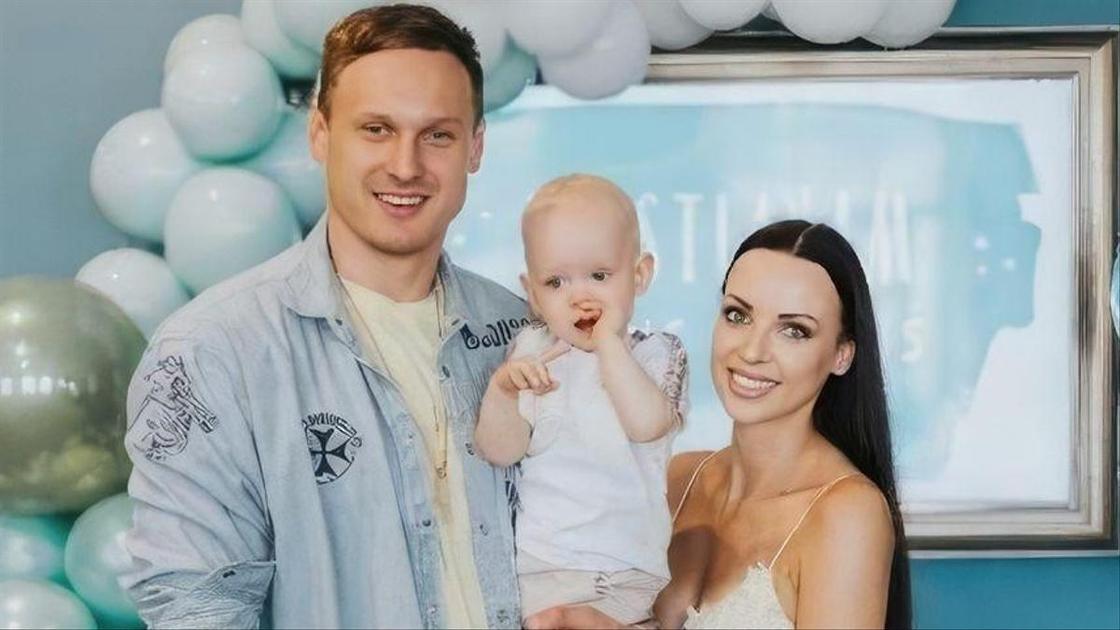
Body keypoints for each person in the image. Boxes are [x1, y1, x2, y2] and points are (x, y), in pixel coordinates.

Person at [121, 5, 526, 628]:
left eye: (438, 135)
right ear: (320, 133)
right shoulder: (213, 351)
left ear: (474, 147)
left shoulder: (523, 335)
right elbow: (197, 608)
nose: (406, 165)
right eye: (376, 129)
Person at [528, 220, 911, 629]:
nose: (752, 351)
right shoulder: (678, 478)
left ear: (841, 355)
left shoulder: (848, 513)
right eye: (738, 315)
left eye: (793, 330)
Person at [474, 174, 689, 626]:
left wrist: (608, 342)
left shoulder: (654, 354)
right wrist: (503, 391)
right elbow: (501, 450)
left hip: (625, 575)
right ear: (532, 294)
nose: (580, 297)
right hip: (542, 570)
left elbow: (646, 425)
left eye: (599, 276)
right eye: (555, 282)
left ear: (640, 275)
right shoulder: (532, 353)